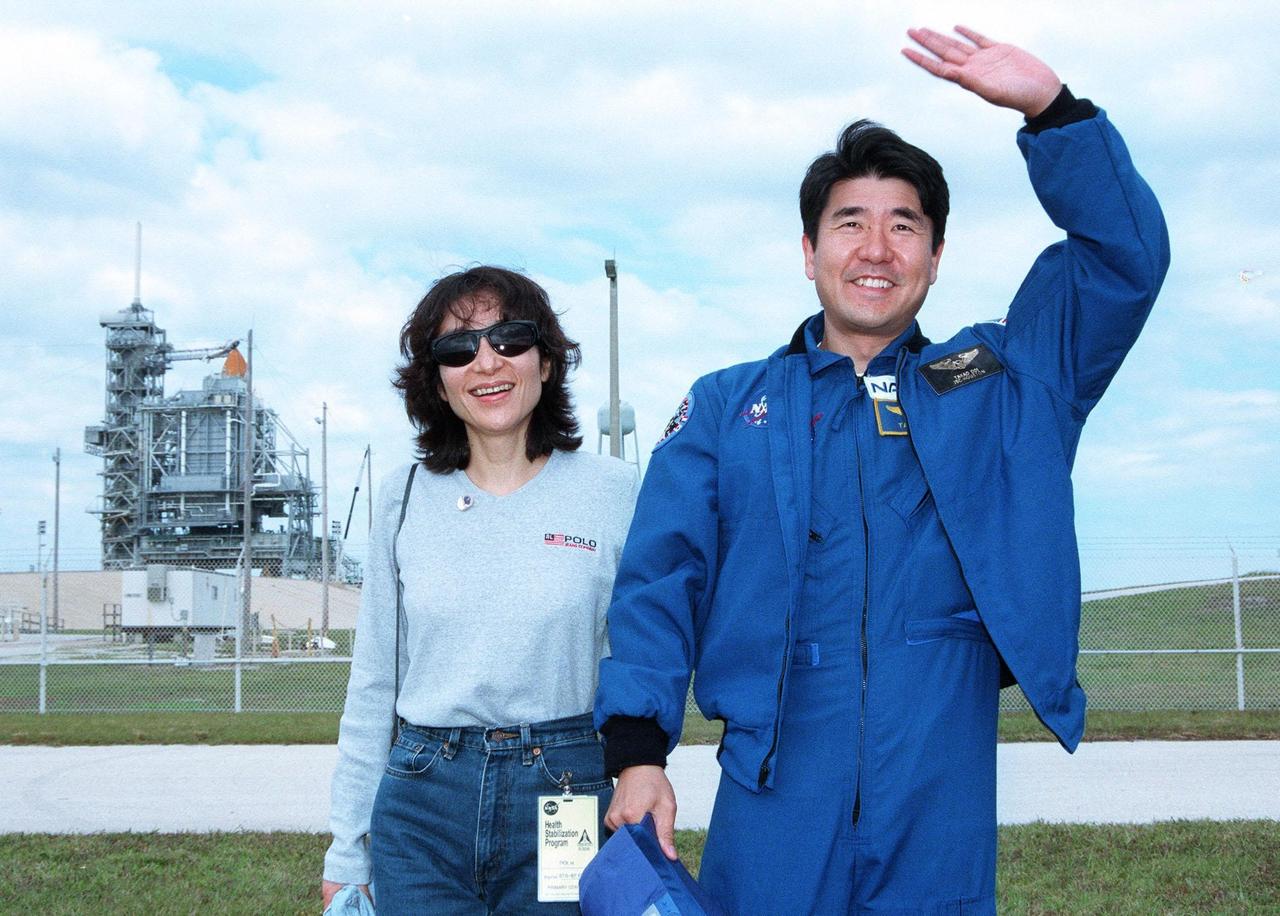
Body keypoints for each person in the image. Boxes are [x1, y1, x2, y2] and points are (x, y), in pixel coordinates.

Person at [595, 25, 1169, 914]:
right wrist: (638, 754)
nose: (875, 249)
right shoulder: (725, 406)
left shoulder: (998, 383)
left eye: (904, 226)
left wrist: (1056, 115)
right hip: (774, 789)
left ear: (935, 258)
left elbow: (1123, 264)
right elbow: (658, 583)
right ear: (808, 249)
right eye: (849, 223)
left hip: (938, 790)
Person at [322, 266, 639, 913]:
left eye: (510, 339)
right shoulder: (403, 498)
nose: (486, 362)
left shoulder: (615, 492)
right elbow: (374, 682)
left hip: (566, 791)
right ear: (437, 381)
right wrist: (346, 850)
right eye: (458, 349)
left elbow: (645, 657)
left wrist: (641, 769)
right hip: (422, 803)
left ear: (546, 362)